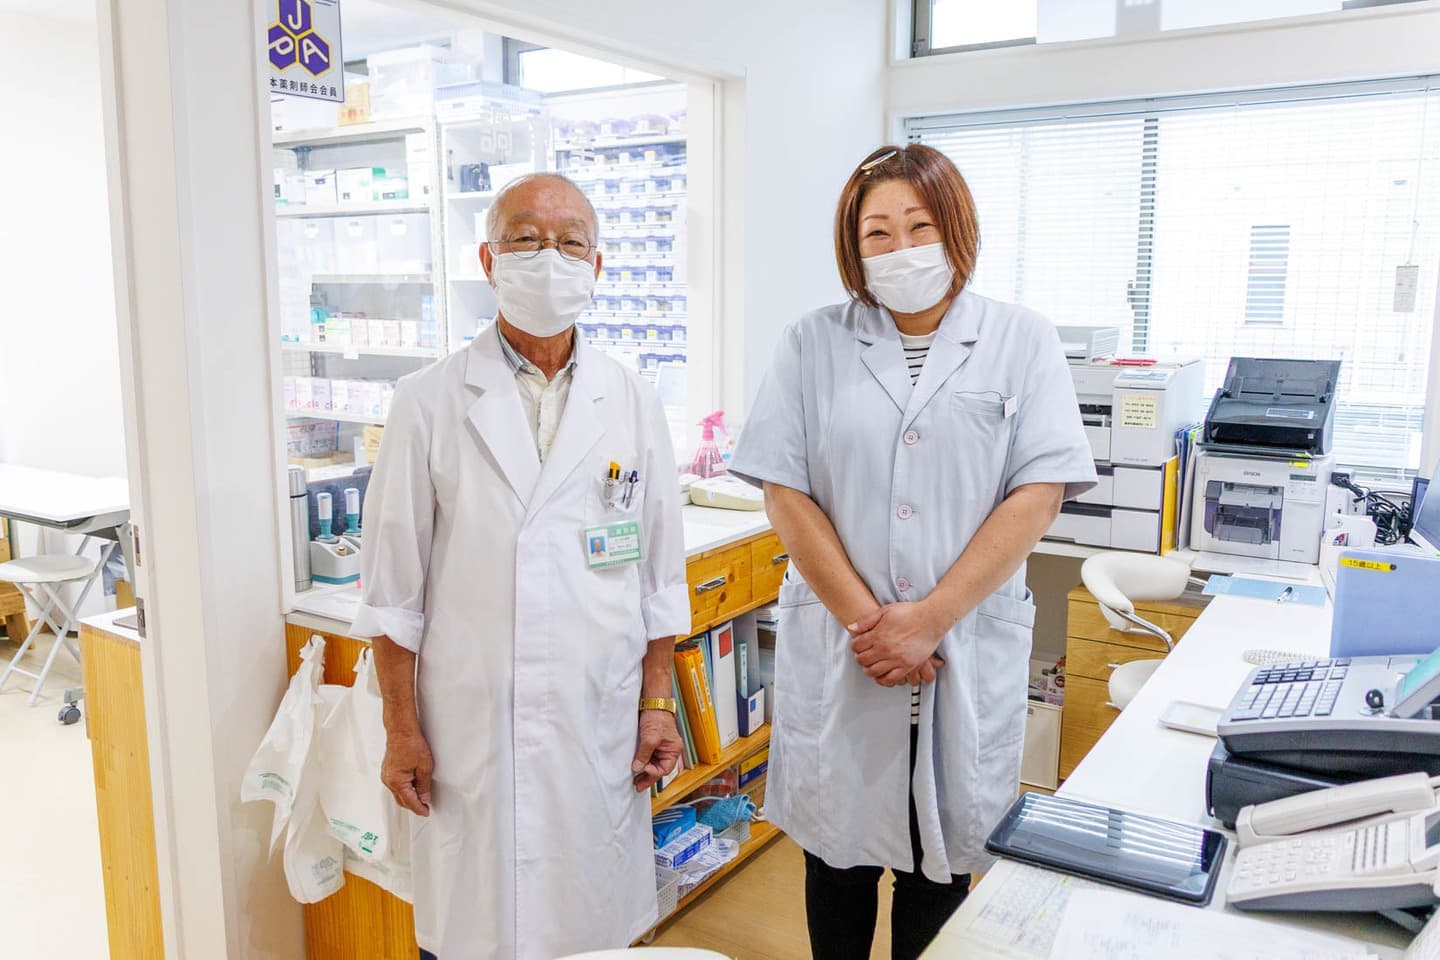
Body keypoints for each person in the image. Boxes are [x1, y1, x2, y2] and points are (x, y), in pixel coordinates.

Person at [729, 144, 1097, 960]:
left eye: (920, 226)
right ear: (854, 247)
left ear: (956, 228)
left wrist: (930, 619)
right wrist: (874, 624)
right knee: (837, 861)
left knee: (941, 871)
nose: (901, 249)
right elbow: (785, 492)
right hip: (847, 645)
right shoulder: (812, 342)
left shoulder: (1021, 339)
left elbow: (1037, 493)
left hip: (960, 641)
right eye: (878, 233)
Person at [352, 173, 692, 959]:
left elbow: (659, 581)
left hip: (596, 717)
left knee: (591, 932)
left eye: (571, 242)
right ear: (488, 260)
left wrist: (657, 703)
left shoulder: (632, 399)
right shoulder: (427, 400)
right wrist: (400, 727)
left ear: (597, 267)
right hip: (470, 729)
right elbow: (394, 593)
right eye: (526, 239)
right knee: (474, 932)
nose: (549, 258)